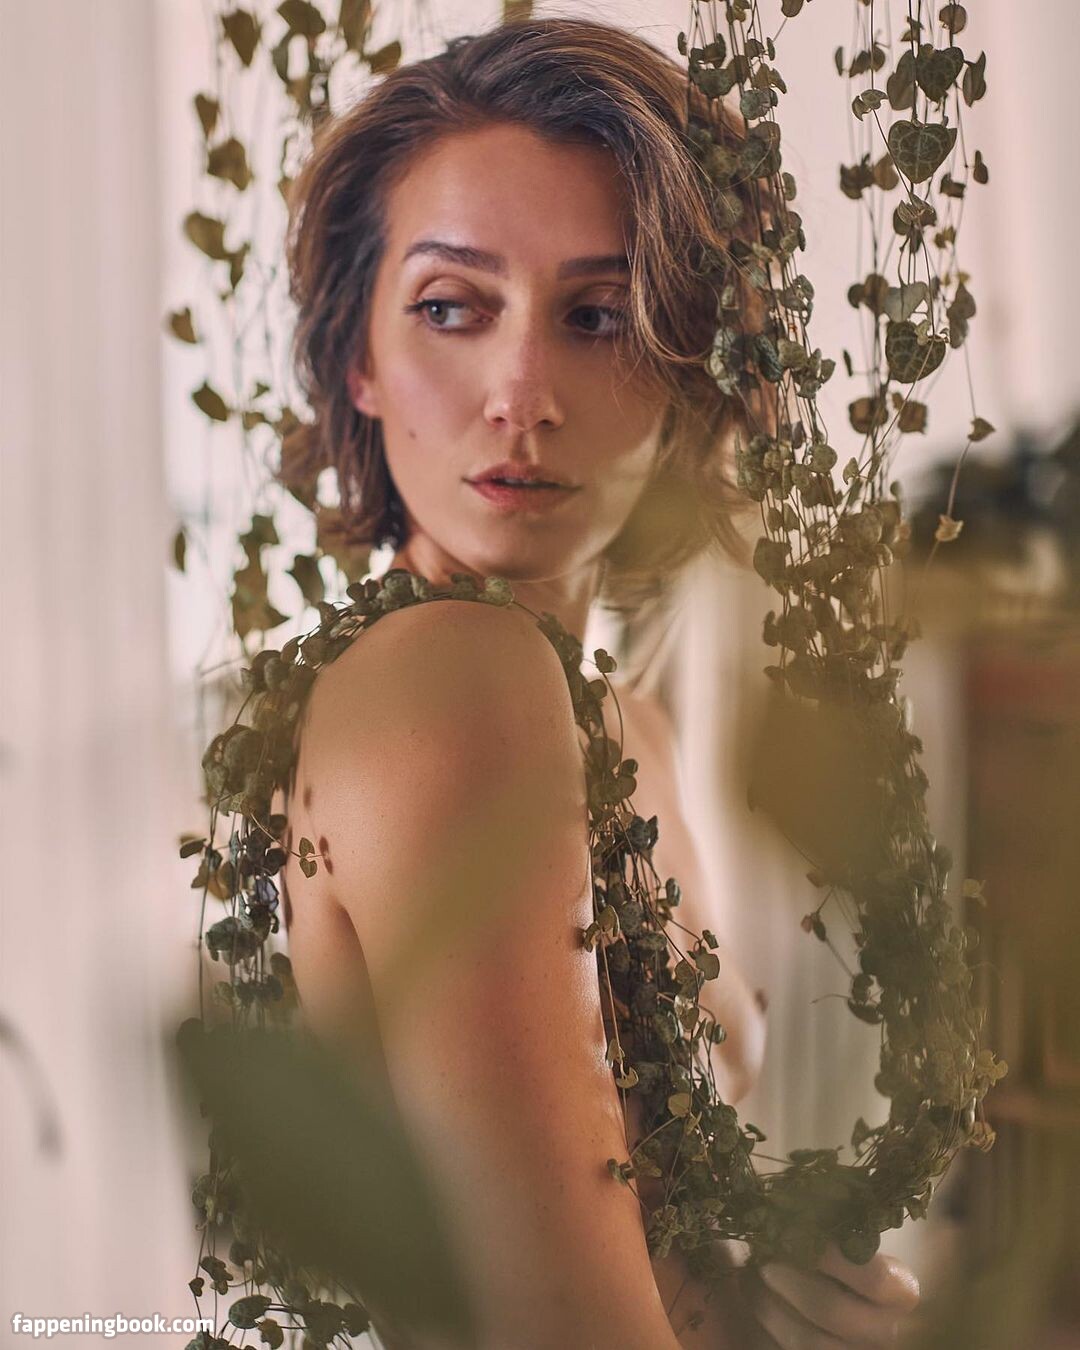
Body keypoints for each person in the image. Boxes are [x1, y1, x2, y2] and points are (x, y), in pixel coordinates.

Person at [277, 16, 921, 1349]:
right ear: (360, 359)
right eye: (450, 306)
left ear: (694, 368)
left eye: (599, 316)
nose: (522, 392)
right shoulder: (453, 678)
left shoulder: (633, 726)